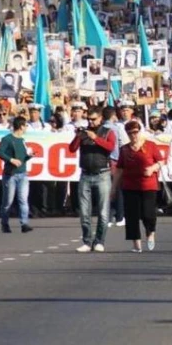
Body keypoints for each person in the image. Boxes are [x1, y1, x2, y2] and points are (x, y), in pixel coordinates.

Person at [68, 106, 116, 252]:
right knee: (84, 211)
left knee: (103, 211)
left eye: (94, 119)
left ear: (101, 118)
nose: (91, 122)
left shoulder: (108, 132)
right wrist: (78, 136)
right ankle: (87, 241)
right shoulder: (84, 133)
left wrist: (96, 138)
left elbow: (111, 147)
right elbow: (72, 149)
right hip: (86, 174)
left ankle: (99, 241)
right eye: (89, 119)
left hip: (103, 174)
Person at [112, 120, 163, 253]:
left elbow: (161, 161)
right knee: (132, 215)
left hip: (148, 184)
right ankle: (136, 243)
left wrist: (153, 168)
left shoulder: (150, 145)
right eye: (130, 133)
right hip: (130, 185)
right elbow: (120, 170)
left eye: (135, 132)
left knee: (148, 213)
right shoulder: (124, 149)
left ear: (139, 132)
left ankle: (150, 232)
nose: (133, 136)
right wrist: (113, 188)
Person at [0, 116, 33, 234]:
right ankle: (4, 223)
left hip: (22, 173)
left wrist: (29, 156)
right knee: (8, 201)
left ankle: (24, 223)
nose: (26, 127)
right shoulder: (7, 139)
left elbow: (22, 158)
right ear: (21, 126)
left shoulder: (22, 140)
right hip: (10, 174)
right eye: (26, 125)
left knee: (23, 199)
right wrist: (10, 159)